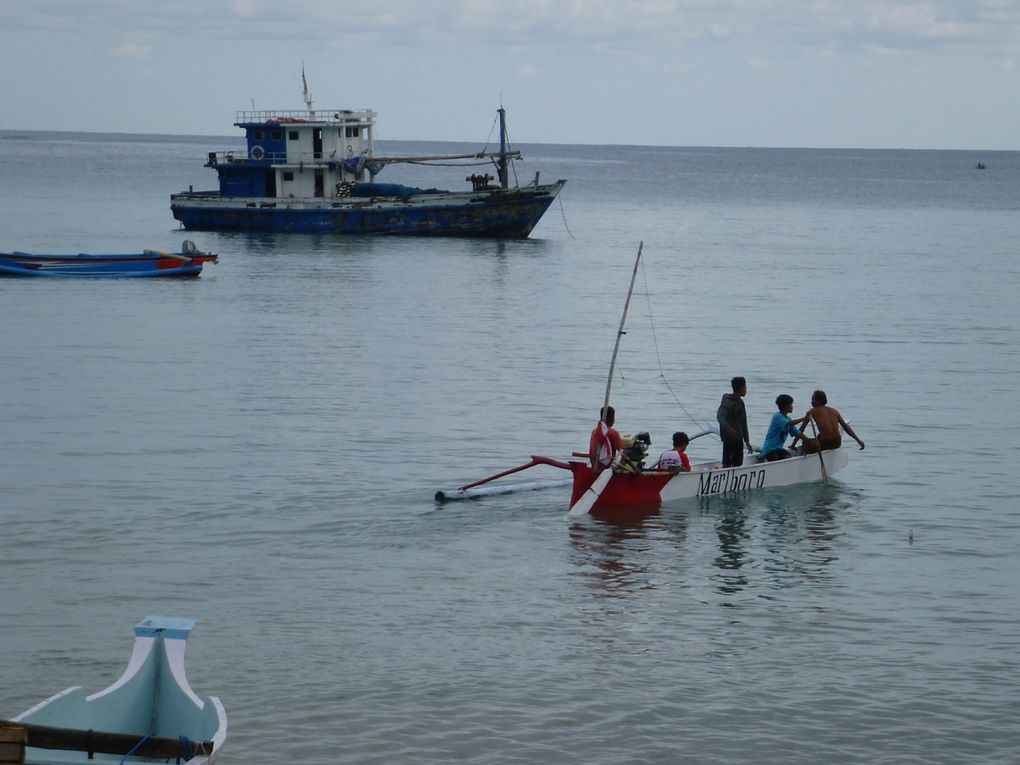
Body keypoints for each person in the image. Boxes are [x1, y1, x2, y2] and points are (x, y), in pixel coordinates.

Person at [801, 389, 865, 452]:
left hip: (825, 443)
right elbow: (845, 427)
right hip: (837, 443)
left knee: (805, 442)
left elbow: (801, 430)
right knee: (818, 438)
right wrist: (858, 440)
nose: (811, 401)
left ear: (818, 401)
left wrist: (793, 444)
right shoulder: (834, 411)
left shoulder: (812, 411)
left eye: (813, 399)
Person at [717, 376, 754, 467]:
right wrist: (728, 428)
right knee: (727, 463)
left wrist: (747, 441)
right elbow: (720, 416)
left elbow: (744, 422)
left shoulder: (740, 402)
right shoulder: (727, 402)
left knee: (738, 463)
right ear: (740, 388)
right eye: (745, 387)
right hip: (729, 439)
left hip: (739, 439)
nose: (746, 389)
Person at [761, 394, 810, 461]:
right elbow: (789, 423)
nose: (792, 407)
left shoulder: (788, 419)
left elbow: (797, 433)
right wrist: (804, 419)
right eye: (791, 405)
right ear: (786, 406)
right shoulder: (777, 416)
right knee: (776, 459)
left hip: (779, 449)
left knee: (788, 457)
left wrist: (809, 441)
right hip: (770, 449)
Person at [589, 405, 624, 473]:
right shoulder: (613, 433)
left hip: (595, 466)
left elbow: (590, 452)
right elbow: (622, 452)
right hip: (607, 468)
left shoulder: (594, 432)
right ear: (612, 419)